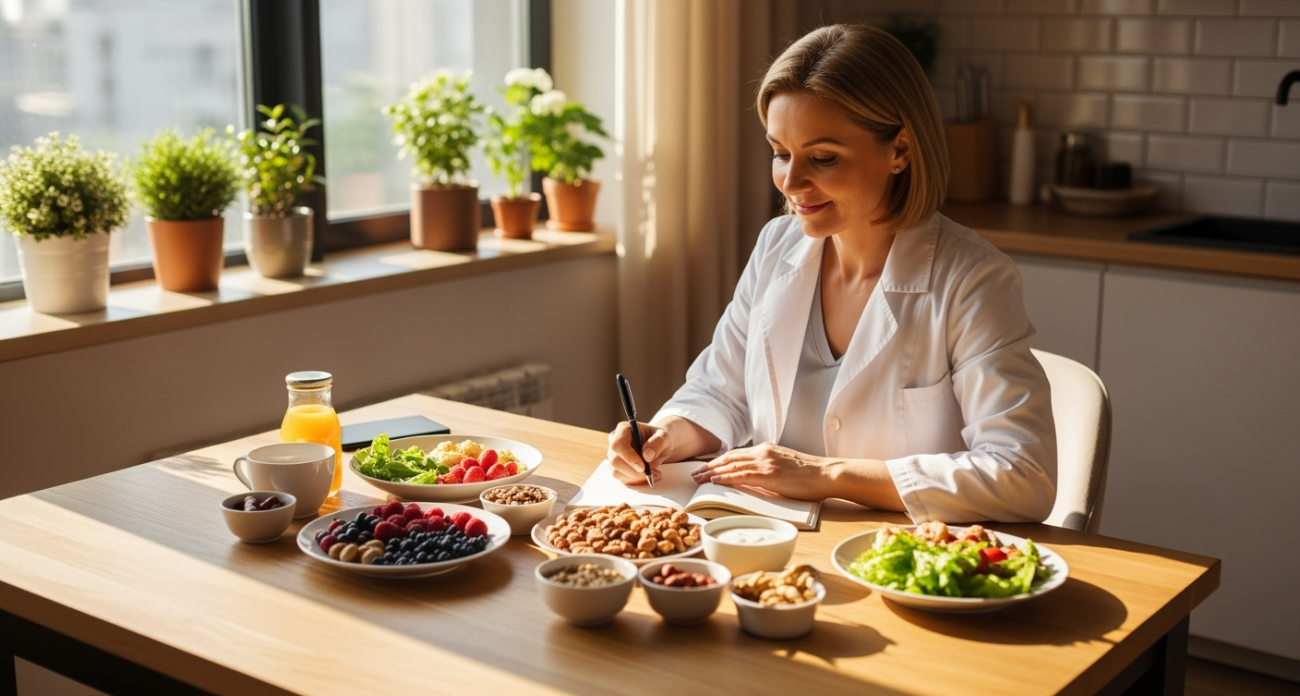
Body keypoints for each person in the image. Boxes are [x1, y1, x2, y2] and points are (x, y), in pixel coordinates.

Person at [606, 24, 1057, 523]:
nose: (792, 183)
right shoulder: (776, 246)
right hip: (767, 544)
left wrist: (826, 474)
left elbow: (1023, 474)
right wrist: (667, 433)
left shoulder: (973, 279)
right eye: (780, 153)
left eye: (822, 157)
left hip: (895, 559)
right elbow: (721, 390)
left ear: (900, 151)